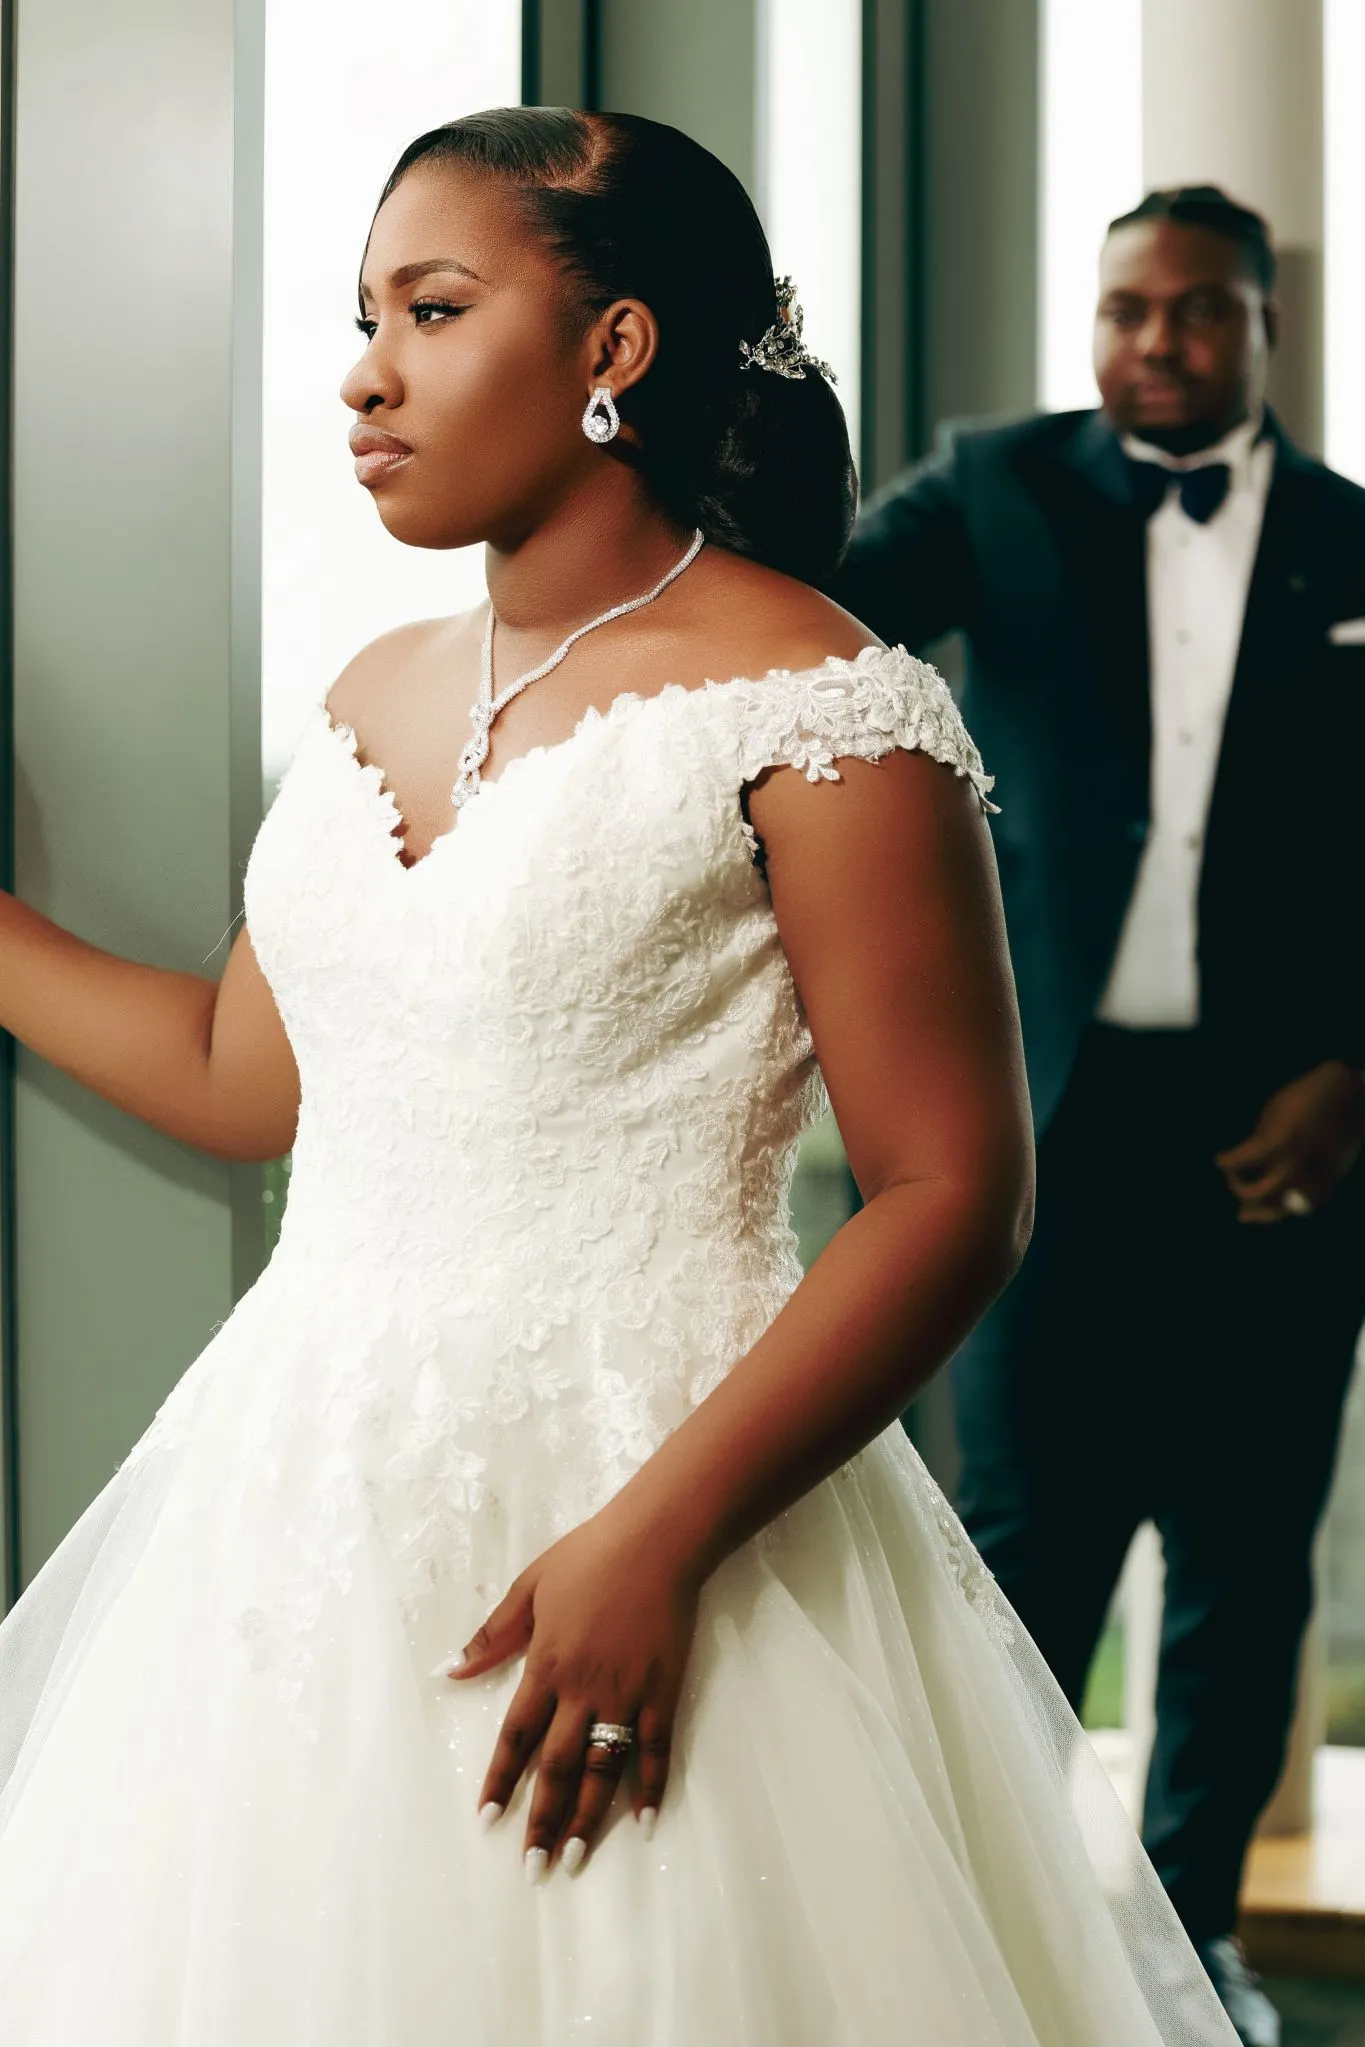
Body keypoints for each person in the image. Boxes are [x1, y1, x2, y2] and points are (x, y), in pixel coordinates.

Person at [0, 113, 1240, 2044]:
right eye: (359, 317)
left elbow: (951, 1190)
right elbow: (248, 1077)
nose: (364, 371)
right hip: (292, 1512)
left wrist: (658, 1539)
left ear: (614, 351)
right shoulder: (366, 694)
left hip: (664, 1503)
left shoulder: (827, 701)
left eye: (430, 308)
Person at [831, 184, 1365, 2047]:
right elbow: (802, 616)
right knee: (1016, 1543)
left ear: (1261, 328)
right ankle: (971, 1925)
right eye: (1127, 308)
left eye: (1198, 312)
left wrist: (1353, 1076)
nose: (1155, 342)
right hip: (1034, 1116)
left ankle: (1190, 1940)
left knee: (1243, 1561)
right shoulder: (995, 490)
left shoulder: (1354, 541)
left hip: (1286, 1145)